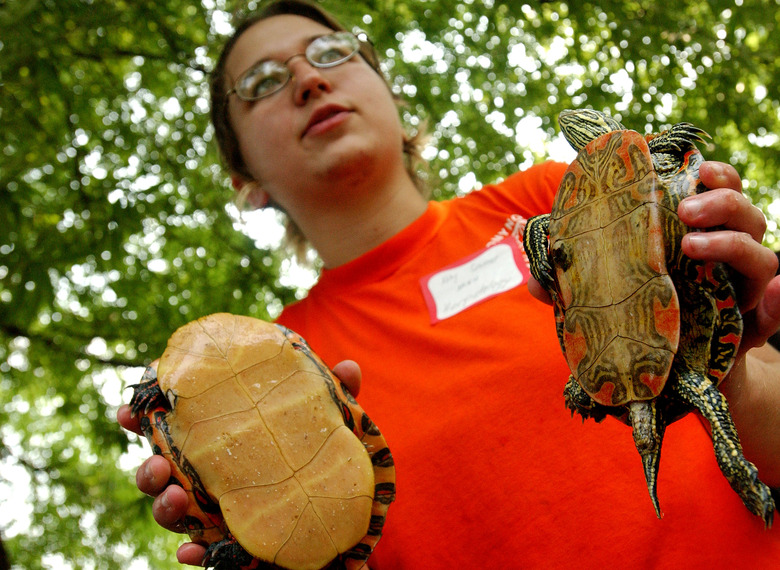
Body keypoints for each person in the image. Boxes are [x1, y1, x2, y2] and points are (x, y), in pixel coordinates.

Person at [117, 0, 780, 566]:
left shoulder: (556, 201)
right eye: (261, 81)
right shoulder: (274, 360)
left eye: (330, 51)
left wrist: (732, 360)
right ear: (244, 181)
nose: (306, 79)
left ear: (394, 102)